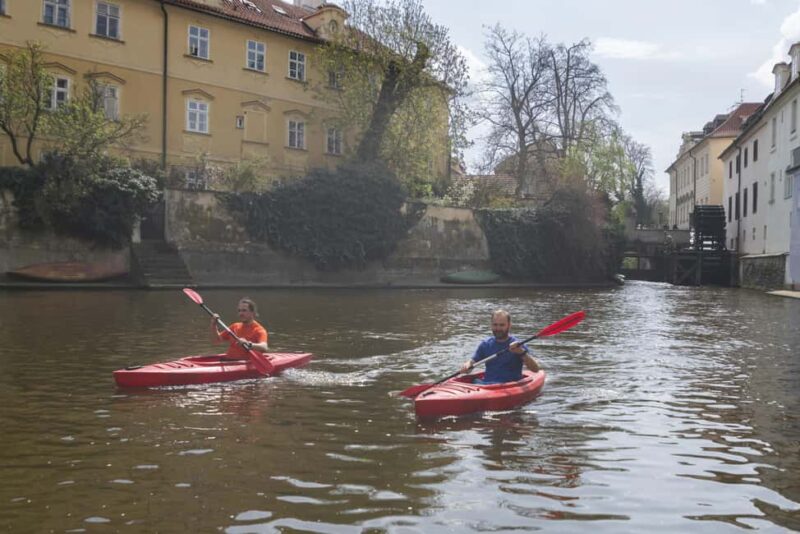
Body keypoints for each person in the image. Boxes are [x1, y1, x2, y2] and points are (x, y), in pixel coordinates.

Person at [461, 309, 541, 384]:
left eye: (502, 325)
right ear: (491, 325)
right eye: (495, 325)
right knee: (475, 381)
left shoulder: (518, 345)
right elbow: (471, 364)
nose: (498, 328)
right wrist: (467, 366)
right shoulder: (485, 344)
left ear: (509, 326)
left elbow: (535, 369)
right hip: (486, 385)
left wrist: (521, 352)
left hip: (509, 386)